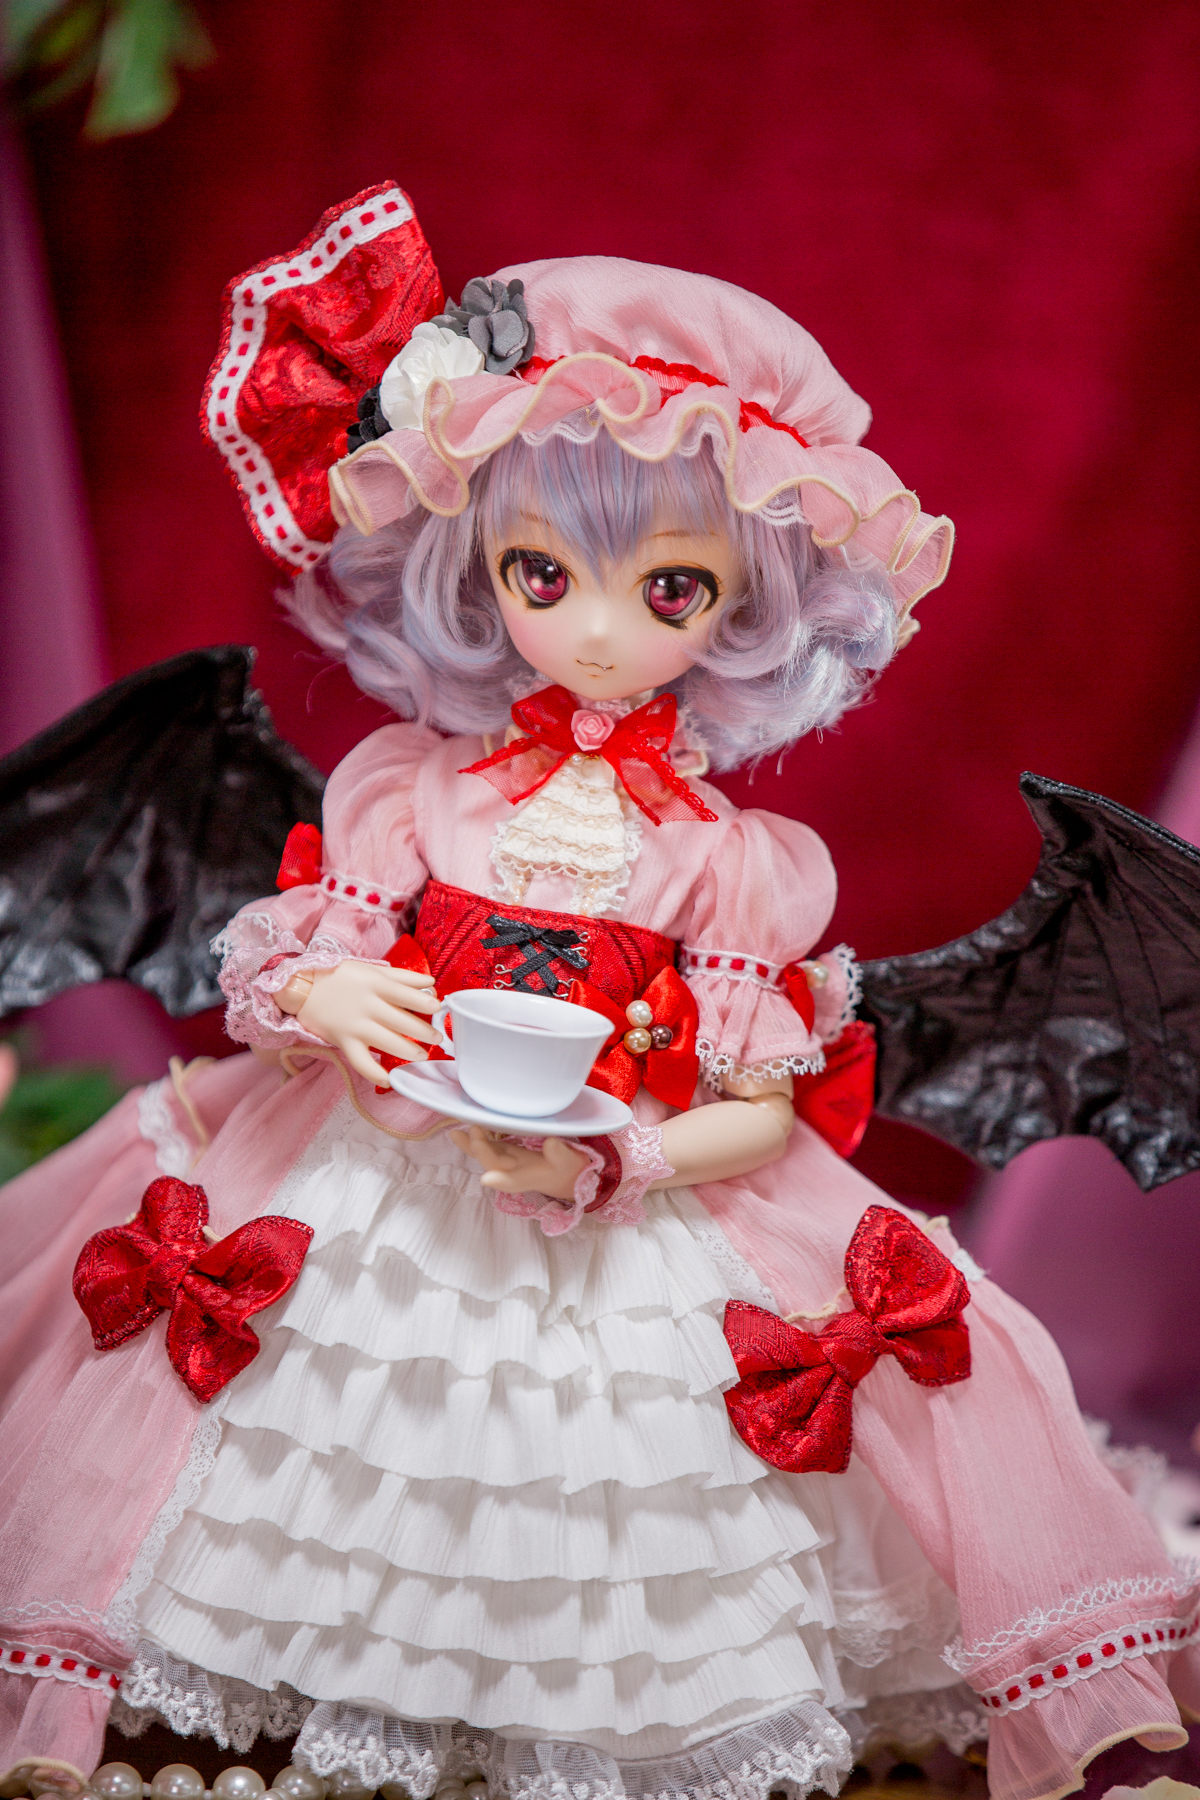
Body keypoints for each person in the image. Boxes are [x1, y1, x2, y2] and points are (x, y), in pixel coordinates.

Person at [1, 187, 1196, 1800]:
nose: (601, 630)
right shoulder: (407, 791)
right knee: (304, 1430)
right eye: (541, 574)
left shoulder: (733, 863)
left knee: (610, 1493)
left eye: (671, 590)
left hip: (615, 1194)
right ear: (478, 567)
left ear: (745, 601)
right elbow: (305, 944)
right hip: (369, 1172)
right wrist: (331, 1002)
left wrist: (621, 1156)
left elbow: (760, 1110)